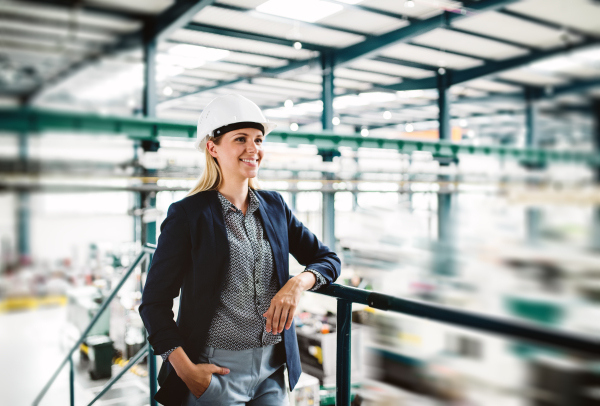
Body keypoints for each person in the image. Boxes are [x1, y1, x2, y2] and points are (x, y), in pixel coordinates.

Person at [139, 94, 341, 406]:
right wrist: (186, 371)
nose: (253, 149)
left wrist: (297, 284)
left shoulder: (274, 207)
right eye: (240, 139)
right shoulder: (188, 215)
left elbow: (327, 258)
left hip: (273, 370)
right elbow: (154, 302)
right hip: (214, 371)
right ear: (212, 147)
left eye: (258, 139)